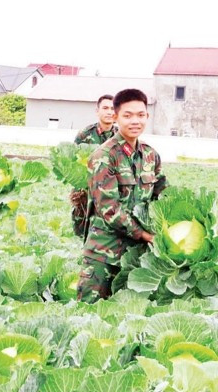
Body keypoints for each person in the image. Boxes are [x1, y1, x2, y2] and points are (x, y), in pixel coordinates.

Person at [77, 88, 168, 303]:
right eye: (127, 116)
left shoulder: (150, 155)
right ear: (116, 117)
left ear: (147, 116)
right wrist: (146, 236)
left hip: (137, 258)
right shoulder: (104, 156)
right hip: (104, 254)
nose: (135, 121)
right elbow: (109, 209)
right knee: (90, 316)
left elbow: (161, 198)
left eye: (140, 115)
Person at [70, 95, 117, 237]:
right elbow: (73, 161)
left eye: (112, 108)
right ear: (97, 111)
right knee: (82, 227)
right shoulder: (85, 135)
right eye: (105, 108)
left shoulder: (120, 136)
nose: (109, 112)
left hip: (109, 190)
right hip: (86, 188)